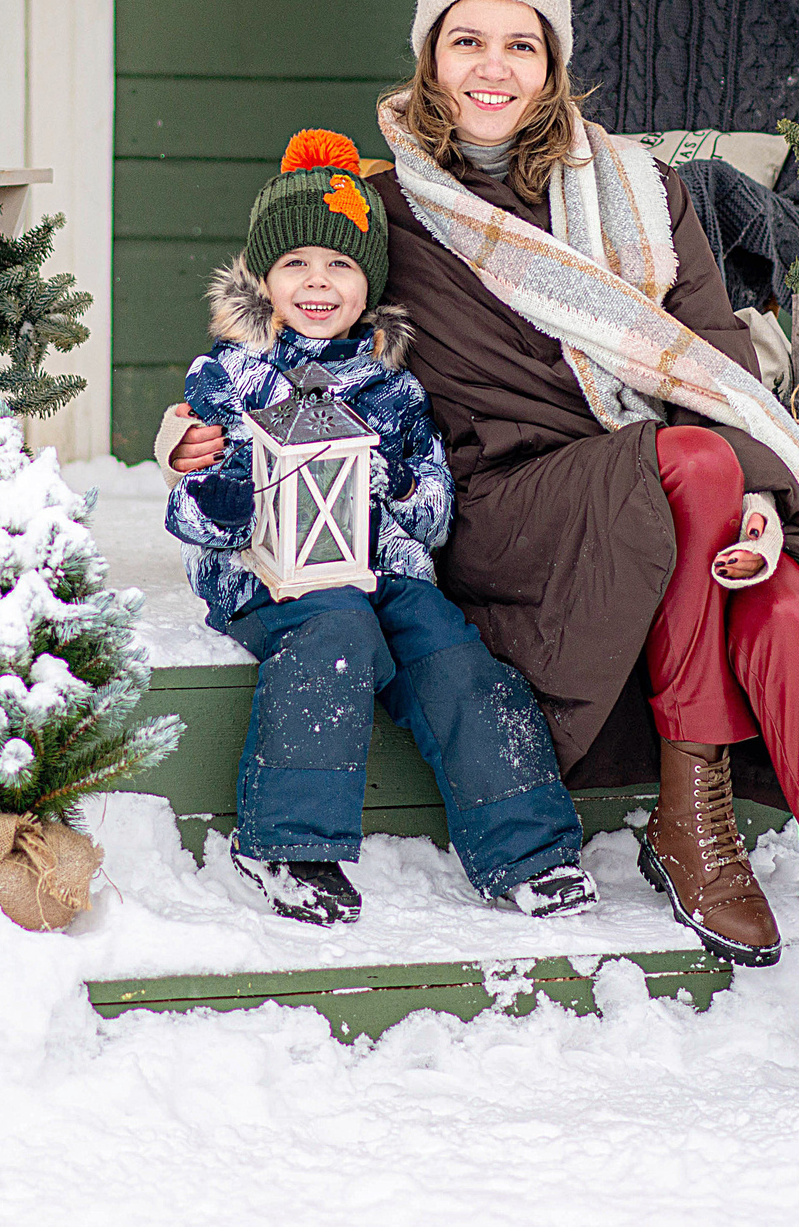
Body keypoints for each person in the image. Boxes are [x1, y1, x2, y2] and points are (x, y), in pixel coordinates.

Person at [166, 0, 799, 1109]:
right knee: (689, 464)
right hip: (507, 523)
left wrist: (750, 510)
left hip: (674, 495)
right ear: (430, 59)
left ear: (554, 64)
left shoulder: (645, 195)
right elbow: (291, 337)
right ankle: (693, 814)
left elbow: (726, 383)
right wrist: (205, 440)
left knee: (785, 603)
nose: (492, 69)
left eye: (519, 44)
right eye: (466, 41)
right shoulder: (387, 212)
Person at [164, 128, 596, 930]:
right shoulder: (227, 374)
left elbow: (432, 497)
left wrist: (394, 493)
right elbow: (196, 513)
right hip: (270, 574)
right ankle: (288, 841)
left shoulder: (393, 383)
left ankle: (530, 847)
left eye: (340, 265)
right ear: (264, 278)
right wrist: (219, 480)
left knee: (450, 651)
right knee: (336, 629)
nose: (318, 282)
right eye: (296, 263)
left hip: (379, 564)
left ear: (371, 284)